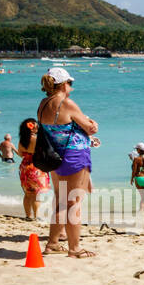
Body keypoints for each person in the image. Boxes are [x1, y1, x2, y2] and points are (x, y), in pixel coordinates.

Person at [37, 66, 100, 258]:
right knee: (73, 202)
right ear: (63, 84)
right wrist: (93, 124)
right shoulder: (66, 103)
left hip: (54, 155)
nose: (71, 86)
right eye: (70, 83)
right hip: (73, 156)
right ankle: (74, 248)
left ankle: (53, 243)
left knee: (61, 199)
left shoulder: (43, 103)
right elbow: (90, 129)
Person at [16, 118, 50, 220]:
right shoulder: (37, 139)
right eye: (36, 126)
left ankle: (28, 216)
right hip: (36, 166)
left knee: (27, 194)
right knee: (37, 195)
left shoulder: (22, 140)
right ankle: (37, 216)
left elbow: (21, 154)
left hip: (25, 167)